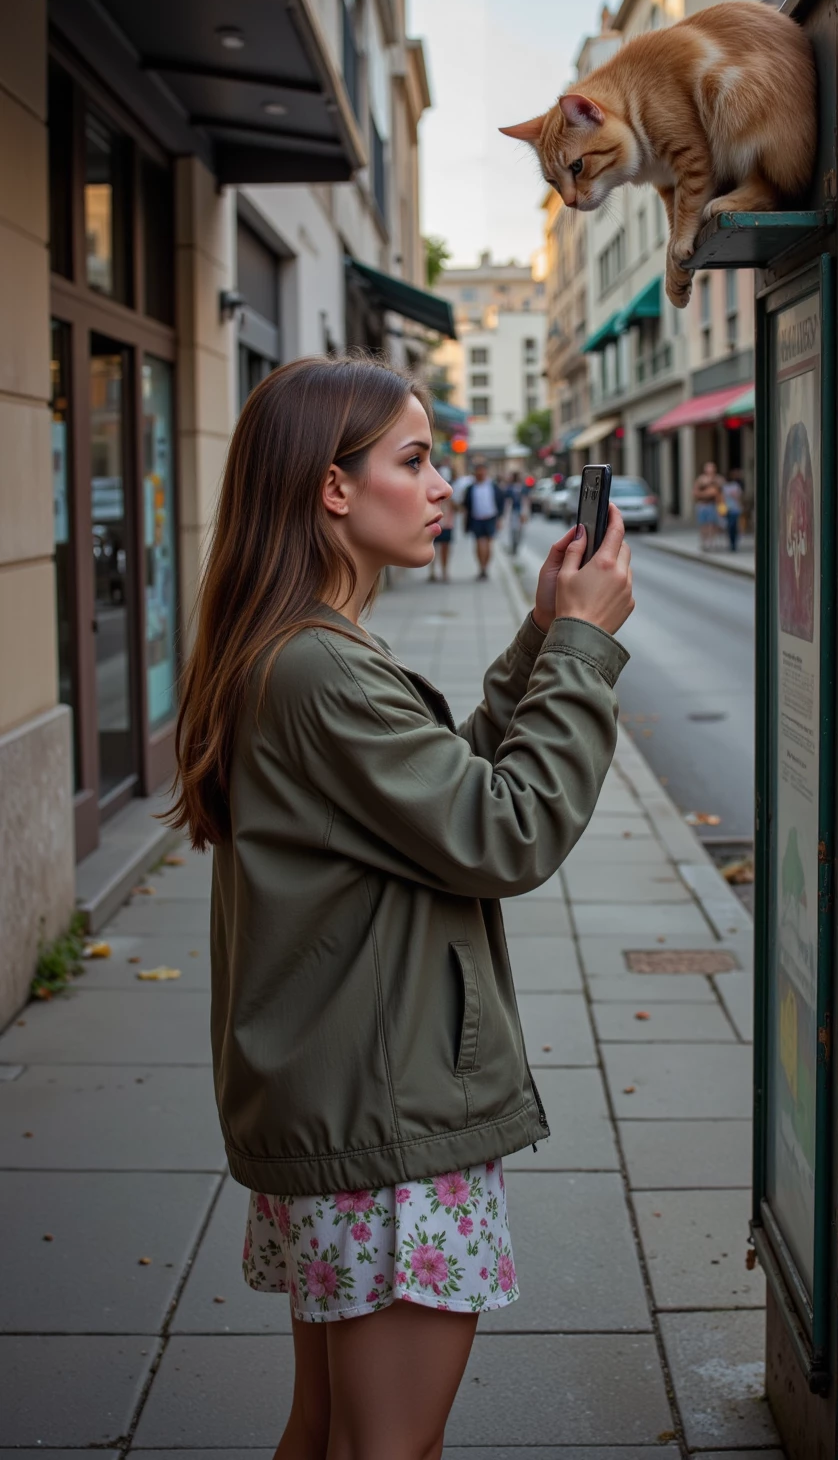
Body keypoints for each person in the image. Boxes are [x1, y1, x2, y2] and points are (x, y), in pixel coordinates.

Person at [166, 355, 634, 1460]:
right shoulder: (319, 669)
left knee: (329, 1430)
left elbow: (434, 798)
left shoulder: (295, 651)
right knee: (388, 1448)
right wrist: (583, 645)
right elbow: (506, 830)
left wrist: (534, 643)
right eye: (413, 461)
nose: (439, 485)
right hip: (385, 1125)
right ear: (333, 489)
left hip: (351, 1099)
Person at [464, 460, 504, 579]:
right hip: (476, 519)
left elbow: (501, 503)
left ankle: (485, 567)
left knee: (488, 544)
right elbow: (466, 505)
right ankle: (481, 567)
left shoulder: (493, 487)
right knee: (479, 543)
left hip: (490, 518)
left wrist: (499, 519)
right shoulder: (471, 488)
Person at [427, 461, 456, 582]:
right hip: (435, 522)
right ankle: (434, 571)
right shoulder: (431, 489)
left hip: (446, 522)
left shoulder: (451, 491)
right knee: (433, 547)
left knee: (444, 548)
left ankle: (443, 571)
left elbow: (456, 506)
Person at [693, 460, 723, 551]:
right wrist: (707, 493)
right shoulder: (701, 479)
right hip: (703, 505)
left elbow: (720, 492)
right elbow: (695, 492)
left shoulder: (718, 479)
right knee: (704, 524)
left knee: (712, 524)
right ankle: (704, 542)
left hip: (713, 505)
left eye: (712, 468)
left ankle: (711, 542)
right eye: (708, 468)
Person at [503, 470, 529, 556]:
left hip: (521, 512)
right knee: (513, 530)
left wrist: (524, 513)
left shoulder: (523, 488)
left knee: (520, 531)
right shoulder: (509, 488)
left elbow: (525, 500)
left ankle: (516, 546)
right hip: (513, 512)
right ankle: (513, 546)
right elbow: (507, 501)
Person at [722, 468, 745, 553]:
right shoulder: (724, 487)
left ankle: (734, 543)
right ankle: (731, 543)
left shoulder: (736, 486)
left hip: (735, 509)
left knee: (735, 526)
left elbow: (739, 496)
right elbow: (722, 498)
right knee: (729, 526)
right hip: (728, 509)